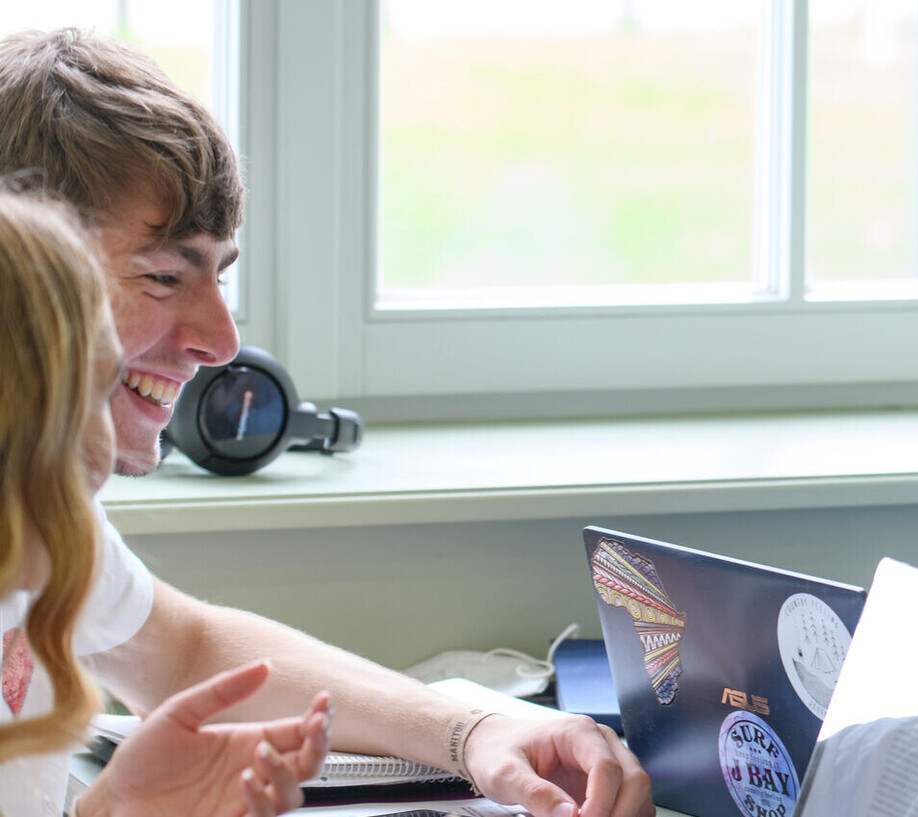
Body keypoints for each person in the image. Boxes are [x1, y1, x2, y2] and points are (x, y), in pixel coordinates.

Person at [0, 29, 653, 817]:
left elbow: (186, 647)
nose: (223, 343)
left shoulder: (38, 508)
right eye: (165, 275)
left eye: (218, 272)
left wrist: (471, 727)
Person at [0, 188, 333, 816]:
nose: (100, 449)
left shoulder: (43, 535)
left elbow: (188, 645)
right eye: (88, 393)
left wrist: (115, 807)